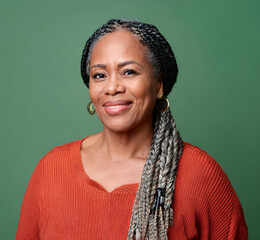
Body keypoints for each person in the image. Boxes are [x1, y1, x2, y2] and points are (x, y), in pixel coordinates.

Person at [16, 19, 248, 240]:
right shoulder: (51, 170)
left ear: (159, 85)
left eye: (129, 72)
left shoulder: (200, 175)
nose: (112, 87)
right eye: (99, 75)